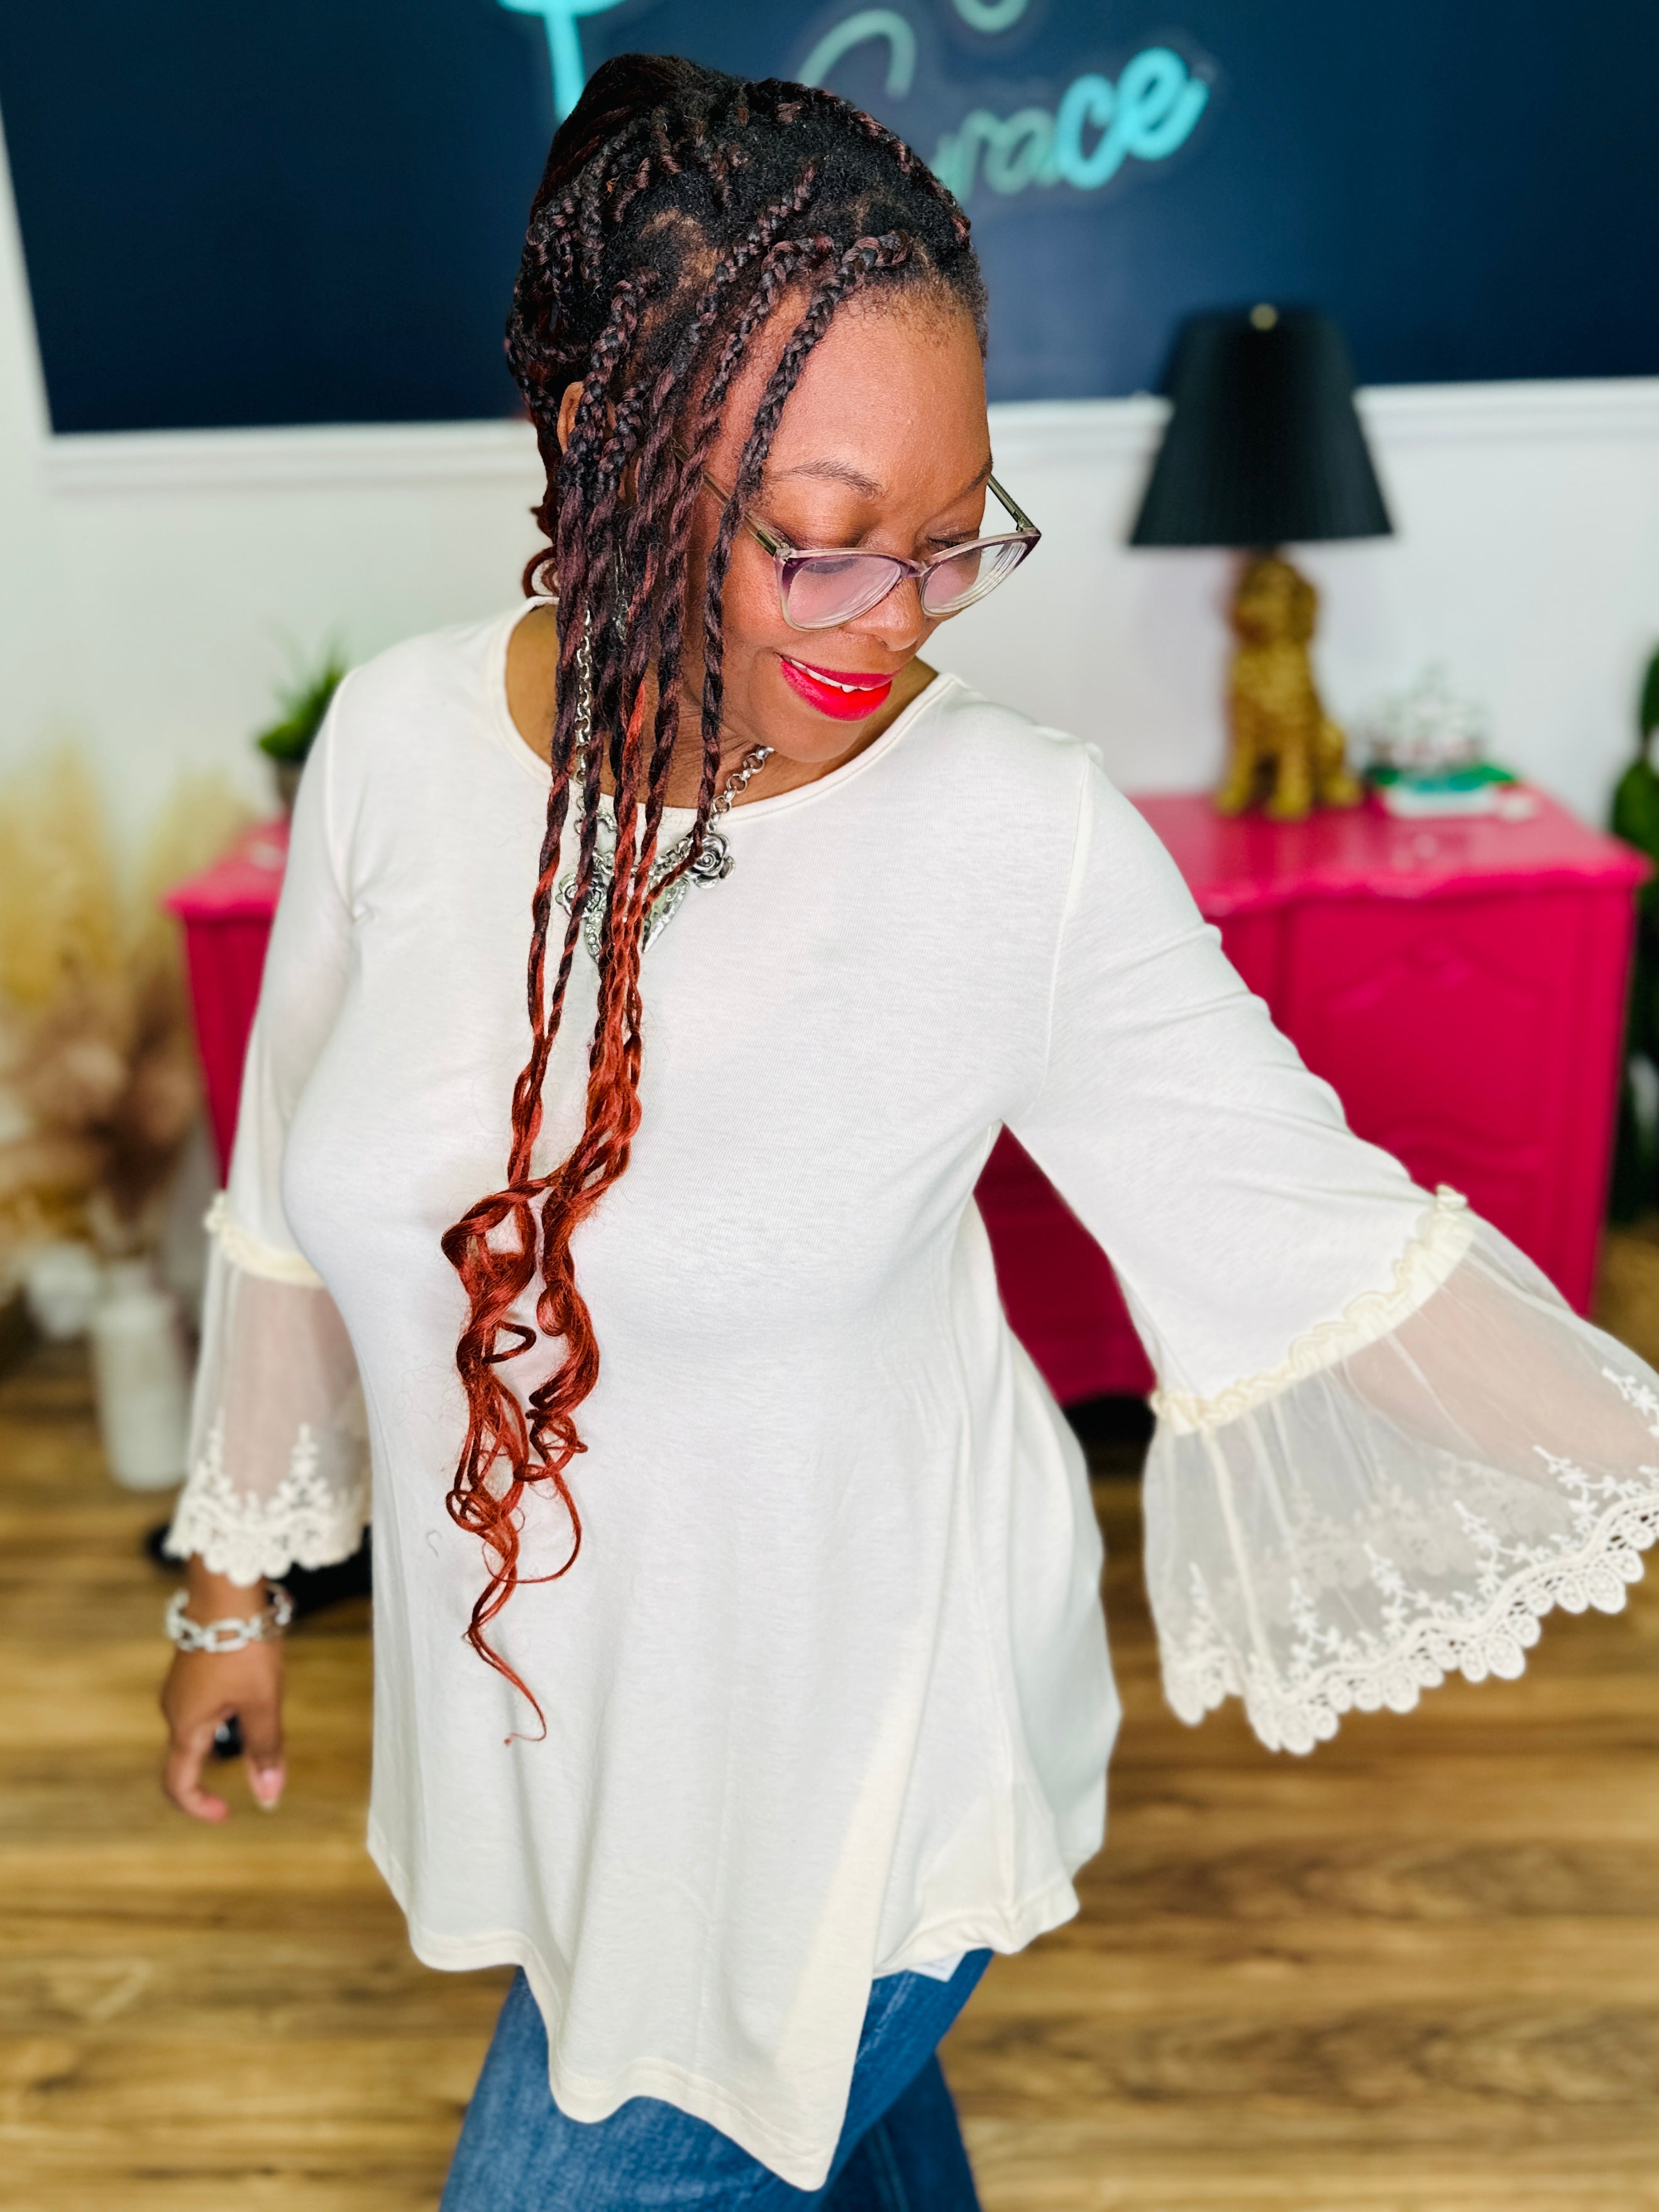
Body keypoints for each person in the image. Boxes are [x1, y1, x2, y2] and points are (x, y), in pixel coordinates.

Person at [157, 54, 1659, 2209]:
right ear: (594, 443)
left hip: (857, 1770)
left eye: (955, 543)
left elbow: (1342, 1256)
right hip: (562, 1737)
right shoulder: (397, 746)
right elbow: (294, 1197)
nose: (902, 617)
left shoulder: (1013, 840)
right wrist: (230, 1588)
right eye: (829, 545)